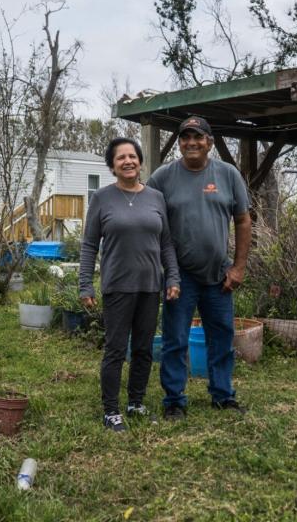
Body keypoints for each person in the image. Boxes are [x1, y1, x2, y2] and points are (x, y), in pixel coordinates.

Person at [147, 115, 252, 420]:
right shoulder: (163, 177)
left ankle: (222, 395)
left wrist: (239, 267)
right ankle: (174, 401)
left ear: (210, 141)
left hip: (219, 275)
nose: (191, 143)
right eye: (185, 137)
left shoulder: (228, 174)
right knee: (175, 339)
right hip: (178, 277)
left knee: (221, 337)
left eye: (198, 137)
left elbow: (243, 220)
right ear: (179, 143)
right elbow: (146, 212)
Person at [79, 138, 181, 432]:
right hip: (117, 287)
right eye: (120, 157)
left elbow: (166, 244)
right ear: (112, 166)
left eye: (132, 156)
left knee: (144, 349)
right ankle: (111, 410)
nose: (128, 161)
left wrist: (172, 277)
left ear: (140, 161)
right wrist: (85, 284)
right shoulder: (102, 198)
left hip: (150, 286)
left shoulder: (155, 198)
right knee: (114, 349)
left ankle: (136, 402)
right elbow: (88, 245)